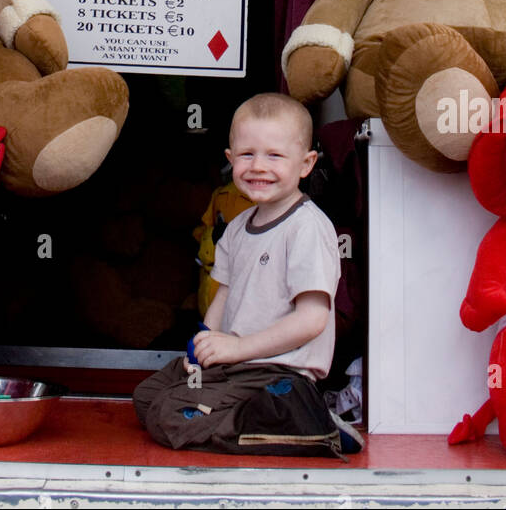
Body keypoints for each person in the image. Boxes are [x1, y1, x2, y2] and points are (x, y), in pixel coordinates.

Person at [133, 92, 362, 455]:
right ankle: (274, 420)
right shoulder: (238, 228)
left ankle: (305, 422)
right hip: (236, 363)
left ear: (306, 164)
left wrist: (239, 347)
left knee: (170, 415)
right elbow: (224, 293)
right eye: (247, 155)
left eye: (274, 155)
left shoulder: (307, 228)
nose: (258, 166)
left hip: (278, 371)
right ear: (230, 159)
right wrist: (206, 341)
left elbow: (312, 320)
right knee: (148, 397)